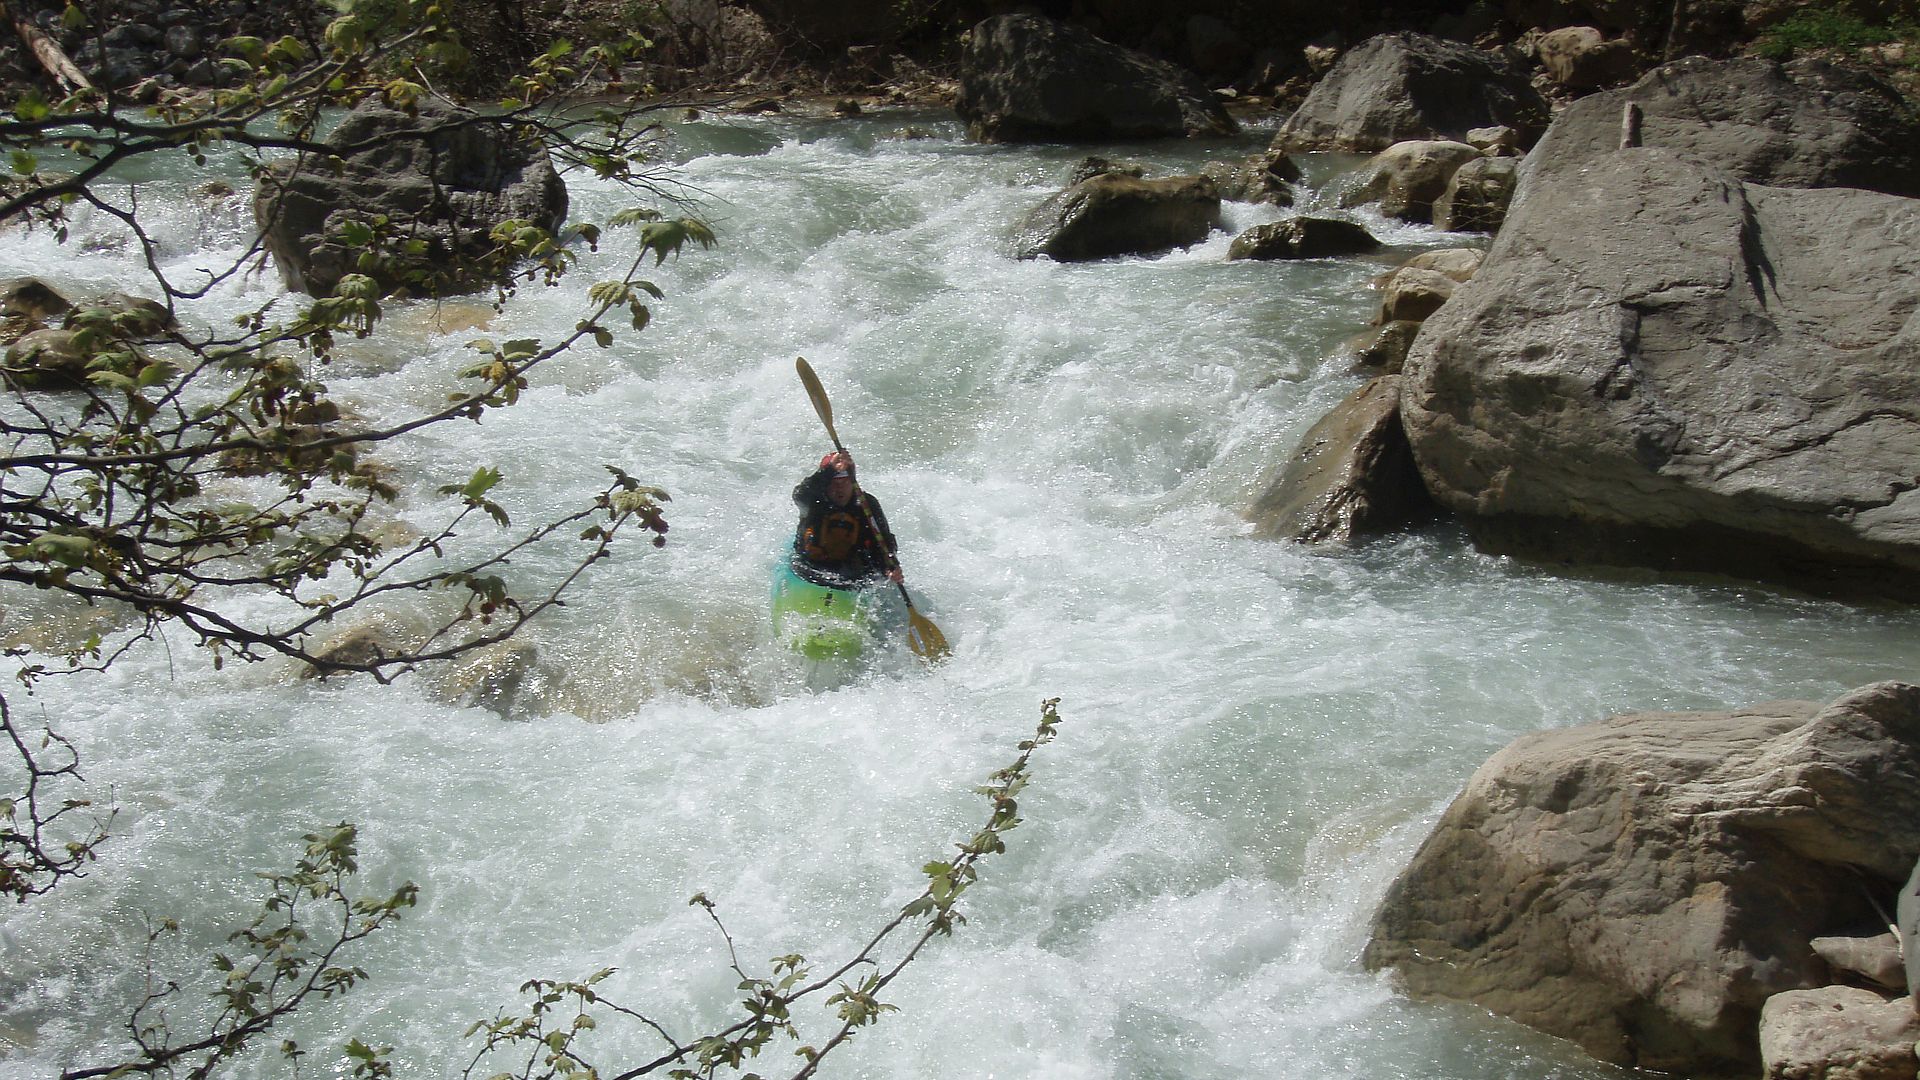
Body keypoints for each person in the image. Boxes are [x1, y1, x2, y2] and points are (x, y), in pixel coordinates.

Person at [791, 449, 903, 588]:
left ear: (853, 482)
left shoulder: (866, 504)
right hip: (809, 569)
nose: (840, 488)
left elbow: (883, 541)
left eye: (844, 482)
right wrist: (829, 470)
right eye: (834, 483)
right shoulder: (813, 500)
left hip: (850, 572)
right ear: (825, 483)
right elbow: (799, 494)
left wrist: (890, 566)